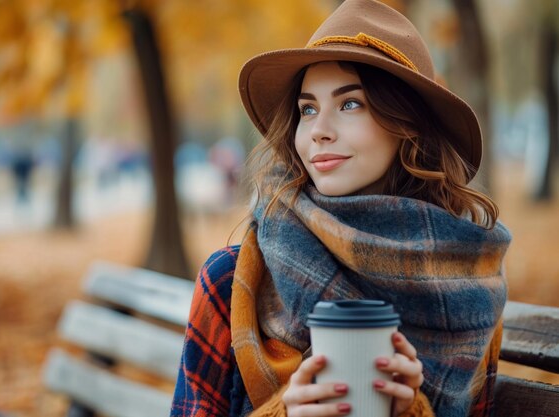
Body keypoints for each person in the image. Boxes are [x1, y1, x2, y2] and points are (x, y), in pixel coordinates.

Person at [170, 1, 511, 416]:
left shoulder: (472, 295)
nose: (318, 132)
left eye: (350, 104)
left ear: (409, 125)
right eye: (307, 109)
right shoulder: (232, 281)